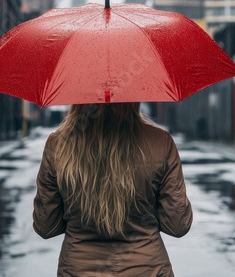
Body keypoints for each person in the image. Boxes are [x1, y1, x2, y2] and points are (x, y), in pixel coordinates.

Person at [33, 102, 193, 276]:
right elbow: (178, 225)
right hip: (147, 268)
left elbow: (46, 227)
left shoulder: (58, 145)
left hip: (78, 269)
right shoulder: (160, 142)